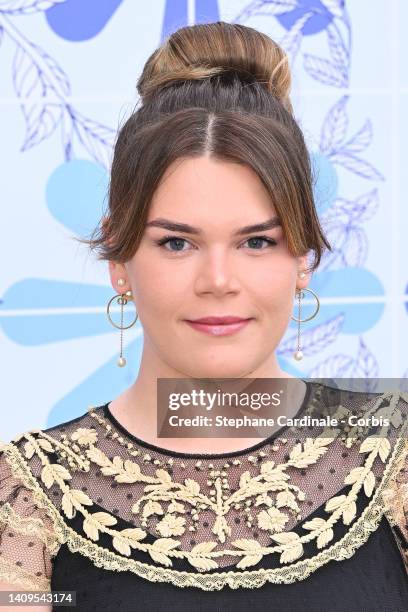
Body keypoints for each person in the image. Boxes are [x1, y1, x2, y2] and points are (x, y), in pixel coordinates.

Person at [1, 21, 407, 612]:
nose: (218, 281)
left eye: (257, 242)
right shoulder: (27, 495)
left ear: (302, 256)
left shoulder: (393, 454)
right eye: (176, 243)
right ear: (119, 255)